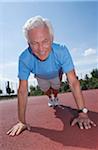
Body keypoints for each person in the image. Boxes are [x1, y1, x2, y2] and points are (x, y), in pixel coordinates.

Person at [7, 16, 96, 136]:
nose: (41, 49)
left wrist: (83, 113)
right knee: (47, 91)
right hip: (40, 76)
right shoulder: (24, 59)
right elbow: (22, 90)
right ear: (28, 44)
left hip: (55, 74)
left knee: (56, 88)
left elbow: (73, 82)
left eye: (45, 41)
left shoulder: (62, 51)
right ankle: (51, 98)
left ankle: (55, 96)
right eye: (34, 43)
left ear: (52, 38)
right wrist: (21, 121)